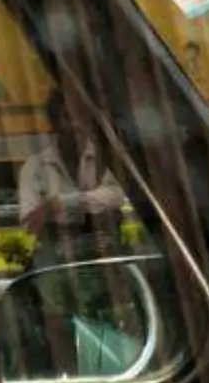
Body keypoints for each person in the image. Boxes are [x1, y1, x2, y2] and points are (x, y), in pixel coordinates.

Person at [19, 91, 130, 270]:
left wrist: (61, 204)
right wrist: (92, 204)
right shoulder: (34, 167)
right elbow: (30, 224)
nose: (77, 125)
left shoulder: (107, 159)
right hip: (58, 265)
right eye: (68, 117)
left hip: (107, 261)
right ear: (54, 125)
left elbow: (117, 196)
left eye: (83, 118)